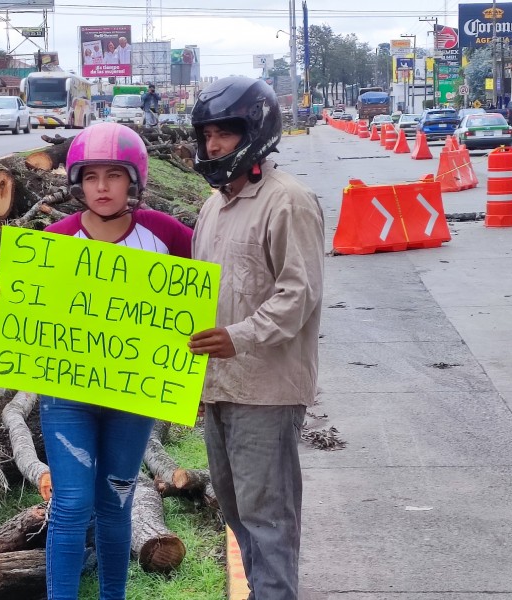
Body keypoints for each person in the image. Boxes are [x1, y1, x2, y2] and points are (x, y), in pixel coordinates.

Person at [0, 122, 193, 600]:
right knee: (72, 506)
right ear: (77, 182)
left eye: (114, 176)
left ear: (134, 180)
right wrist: (1, 304)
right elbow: (37, 314)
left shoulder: (168, 235)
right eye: (91, 176)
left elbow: (196, 303)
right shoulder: (53, 241)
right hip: (66, 396)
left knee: (116, 505)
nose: (102, 187)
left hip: (131, 399)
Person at [187, 76, 325, 600]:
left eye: (225, 133)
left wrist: (238, 337)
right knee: (239, 513)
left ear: (257, 131)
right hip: (219, 386)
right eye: (207, 136)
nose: (214, 145)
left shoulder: (286, 201)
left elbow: (299, 293)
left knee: (269, 519)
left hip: (266, 390)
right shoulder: (212, 206)